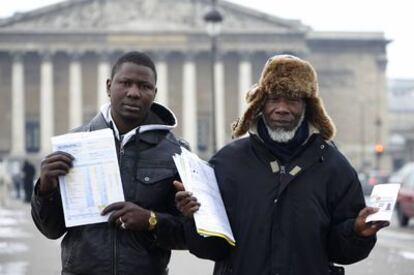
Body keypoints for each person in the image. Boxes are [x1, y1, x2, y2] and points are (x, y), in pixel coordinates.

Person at [175, 55, 389, 275]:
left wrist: (357, 232)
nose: (282, 108)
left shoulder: (334, 167)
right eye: (274, 99)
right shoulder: (227, 163)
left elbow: (340, 252)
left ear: (308, 106)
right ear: (259, 104)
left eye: (293, 100)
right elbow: (213, 249)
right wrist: (193, 218)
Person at [31, 51, 187, 275]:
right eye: (125, 83)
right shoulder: (74, 145)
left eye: (144, 86)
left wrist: (152, 220)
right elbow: (51, 229)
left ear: (154, 93)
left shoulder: (176, 152)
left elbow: (191, 234)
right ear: (108, 86)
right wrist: (45, 189)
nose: (133, 93)